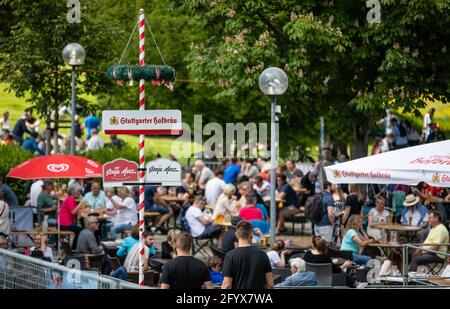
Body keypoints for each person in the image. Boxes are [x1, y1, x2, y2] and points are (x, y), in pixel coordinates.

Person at [221, 220, 273, 289]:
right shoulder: (262, 254)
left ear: (236, 235)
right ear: (251, 235)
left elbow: (227, 285)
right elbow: (270, 284)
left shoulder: (230, 256)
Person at [58, 184, 84, 249]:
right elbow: (73, 212)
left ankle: (74, 248)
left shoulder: (72, 200)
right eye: (78, 191)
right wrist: (81, 203)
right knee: (81, 231)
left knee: (80, 230)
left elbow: (78, 217)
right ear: (72, 191)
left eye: (80, 191)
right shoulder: (69, 199)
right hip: (63, 224)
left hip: (66, 223)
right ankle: (74, 248)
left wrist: (80, 206)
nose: (79, 193)